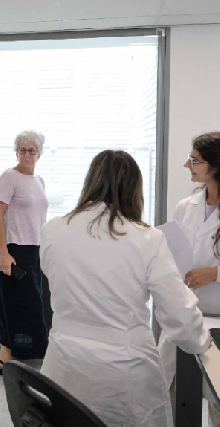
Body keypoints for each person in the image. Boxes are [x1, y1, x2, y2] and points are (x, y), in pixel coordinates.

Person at [40, 150, 210, 427]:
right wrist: (201, 340)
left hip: (64, 366)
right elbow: (179, 314)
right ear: (134, 189)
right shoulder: (146, 238)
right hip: (123, 374)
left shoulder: (53, 230)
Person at [158, 132, 220, 425]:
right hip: (186, 313)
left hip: (218, 321)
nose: (187, 164)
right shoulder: (187, 206)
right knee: (169, 388)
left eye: (195, 160)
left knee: (218, 397)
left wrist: (216, 273)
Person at [0, 130, 48, 374]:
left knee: (32, 304)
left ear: (39, 153)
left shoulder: (39, 181)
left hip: (34, 249)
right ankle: (6, 353)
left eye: (31, 150)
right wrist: (4, 253)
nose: (26, 154)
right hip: (12, 250)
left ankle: (27, 355)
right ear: (16, 152)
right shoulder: (9, 177)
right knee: (12, 303)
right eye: (22, 150)